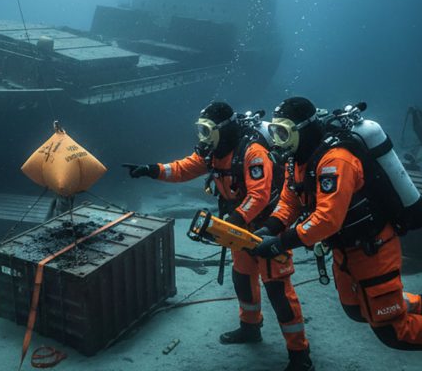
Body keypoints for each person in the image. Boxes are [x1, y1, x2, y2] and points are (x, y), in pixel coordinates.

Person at [251, 97, 422, 371]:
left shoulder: (336, 160)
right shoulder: (297, 161)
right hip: (345, 251)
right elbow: (290, 201)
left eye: (283, 132)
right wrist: (271, 227)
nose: (278, 141)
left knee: (393, 332)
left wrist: (280, 243)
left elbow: (327, 219)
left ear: (304, 129)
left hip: (374, 249)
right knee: (356, 309)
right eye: (275, 132)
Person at [124, 101, 315, 371]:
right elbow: (183, 169)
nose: (202, 137)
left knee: (278, 292)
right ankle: (250, 328)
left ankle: (300, 355)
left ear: (222, 130)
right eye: (199, 130)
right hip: (237, 229)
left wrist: (233, 221)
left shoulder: (253, 152)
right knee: (242, 279)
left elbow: (259, 195)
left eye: (206, 130)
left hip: (268, 229)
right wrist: (151, 170)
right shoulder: (212, 153)